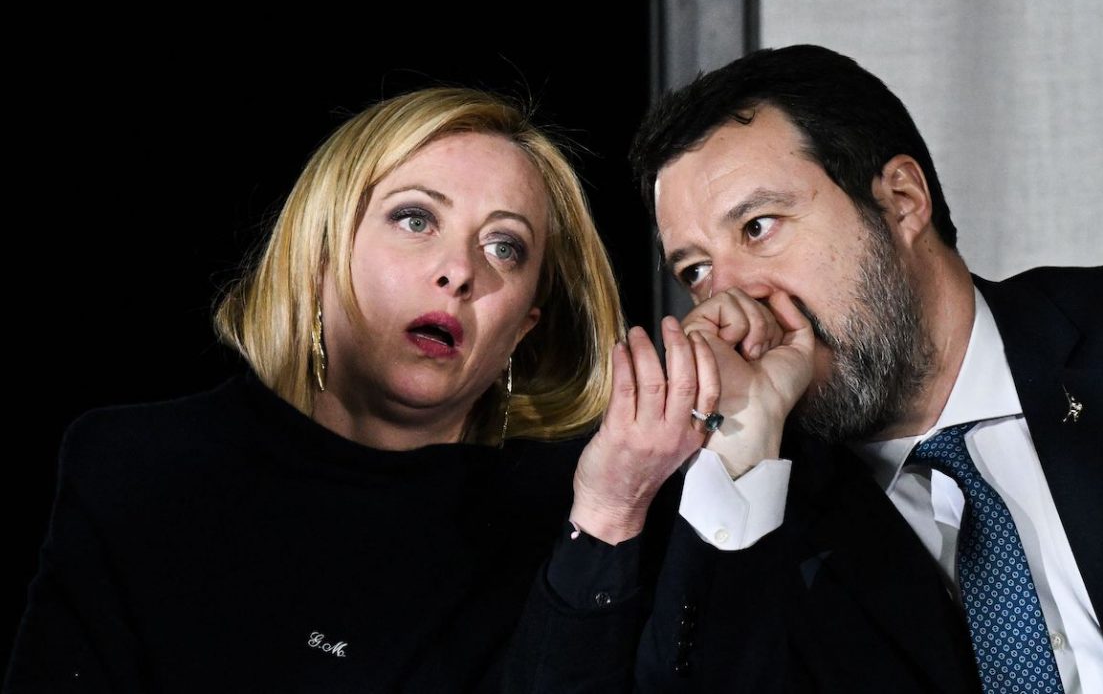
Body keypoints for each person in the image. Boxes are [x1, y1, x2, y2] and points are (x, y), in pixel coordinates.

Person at [527, 45, 1103, 693]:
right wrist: (743, 440)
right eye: (697, 270)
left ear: (901, 199)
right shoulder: (752, 516)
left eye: (758, 227)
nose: (731, 299)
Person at [5, 85, 642, 692]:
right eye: (416, 218)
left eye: (504, 247)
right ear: (320, 254)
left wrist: (606, 518)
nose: (459, 271)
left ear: (523, 328)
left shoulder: (573, 523)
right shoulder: (141, 468)